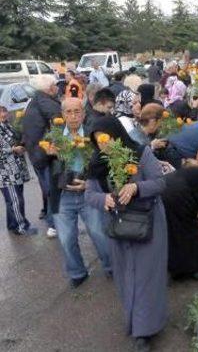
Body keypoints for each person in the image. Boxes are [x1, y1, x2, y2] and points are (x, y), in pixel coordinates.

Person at [85, 116, 168, 352]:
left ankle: (144, 331)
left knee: (146, 276)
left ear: (117, 134)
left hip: (148, 221)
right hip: (120, 225)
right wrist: (104, 198)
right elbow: (89, 195)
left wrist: (136, 187)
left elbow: (160, 183)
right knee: (126, 276)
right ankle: (134, 321)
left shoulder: (140, 153)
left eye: (106, 139)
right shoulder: (97, 162)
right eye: (98, 141)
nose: (103, 145)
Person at [50, 98, 111, 287]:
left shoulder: (95, 135)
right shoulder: (54, 136)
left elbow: (106, 163)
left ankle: (112, 267)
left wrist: (89, 182)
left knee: (99, 233)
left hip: (89, 192)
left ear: (84, 114)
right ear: (62, 114)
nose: (73, 116)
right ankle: (77, 273)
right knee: (66, 238)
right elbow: (36, 160)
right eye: (69, 112)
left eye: (77, 111)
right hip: (63, 194)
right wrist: (48, 154)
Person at [22, 75, 61, 238]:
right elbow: (59, 123)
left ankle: (50, 219)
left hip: (35, 153)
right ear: (49, 88)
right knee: (53, 190)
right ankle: (54, 225)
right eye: (55, 85)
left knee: (48, 189)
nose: (58, 88)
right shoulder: (47, 103)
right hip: (46, 154)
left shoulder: (34, 101)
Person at [0, 105, 36, 235]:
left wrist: (22, 145)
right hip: (6, 173)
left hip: (15, 170)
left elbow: (17, 139)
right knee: (16, 200)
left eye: (4, 111)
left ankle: (12, 224)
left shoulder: (7, 126)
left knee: (13, 199)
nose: (3, 114)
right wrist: (13, 150)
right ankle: (22, 227)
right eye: (0, 112)